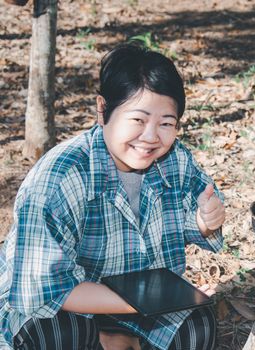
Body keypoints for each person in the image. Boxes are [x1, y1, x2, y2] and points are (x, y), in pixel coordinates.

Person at [0, 43, 226, 350]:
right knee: (58, 337)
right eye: (138, 119)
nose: (150, 137)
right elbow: (44, 291)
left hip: (137, 299)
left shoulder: (176, 160)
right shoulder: (60, 177)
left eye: (166, 123)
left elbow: (188, 223)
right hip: (68, 302)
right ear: (103, 110)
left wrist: (203, 222)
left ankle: (116, 338)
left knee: (196, 326)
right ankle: (109, 339)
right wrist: (141, 303)